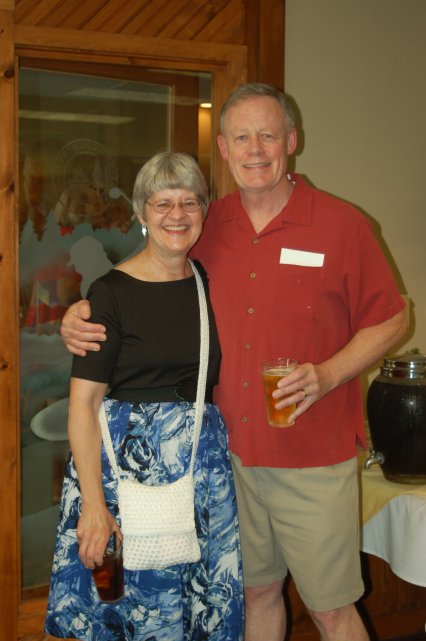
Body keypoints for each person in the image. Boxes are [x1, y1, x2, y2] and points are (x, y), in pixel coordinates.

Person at [60, 84, 407, 641]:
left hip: (310, 455)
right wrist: (83, 311)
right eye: (241, 137)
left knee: (331, 609)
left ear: (291, 141)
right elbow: (149, 277)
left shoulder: (343, 226)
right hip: (226, 460)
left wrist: (328, 374)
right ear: (222, 148)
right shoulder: (207, 224)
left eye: (268, 135)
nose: (255, 149)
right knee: (255, 596)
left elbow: (392, 319)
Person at [45, 152, 243, 641]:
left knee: (201, 612)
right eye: (162, 203)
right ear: (140, 213)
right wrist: (94, 505)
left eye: (189, 202)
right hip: (125, 475)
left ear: (204, 211)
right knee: (132, 612)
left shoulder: (207, 280)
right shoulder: (110, 293)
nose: (177, 215)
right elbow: (83, 405)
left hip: (201, 473)